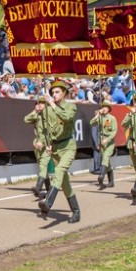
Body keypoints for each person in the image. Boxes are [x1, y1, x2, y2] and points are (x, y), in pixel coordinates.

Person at [38, 80, 80, 223]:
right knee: (65, 183)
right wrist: (48, 144)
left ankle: (48, 201)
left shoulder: (71, 106)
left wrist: (52, 104)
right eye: (52, 92)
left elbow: (67, 117)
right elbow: (47, 129)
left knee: (60, 171)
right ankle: (76, 211)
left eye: (57, 92)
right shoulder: (49, 109)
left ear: (64, 94)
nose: (54, 95)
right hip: (55, 148)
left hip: (68, 146)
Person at [24, 96, 52, 199]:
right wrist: (35, 111)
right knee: (42, 167)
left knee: (43, 166)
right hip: (37, 144)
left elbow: (50, 133)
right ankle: (49, 191)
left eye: (41, 103)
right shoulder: (37, 115)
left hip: (47, 144)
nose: (39, 105)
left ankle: (38, 187)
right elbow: (26, 120)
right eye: (37, 103)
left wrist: (43, 142)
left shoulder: (49, 116)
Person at [89, 101, 117, 189]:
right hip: (101, 142)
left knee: (105, 157)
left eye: (106, 107)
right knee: (107, 163)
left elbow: (114, 131)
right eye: (102, 107)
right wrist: (97, 115)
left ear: (109, 109)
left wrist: (107, 139)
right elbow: (92, 123)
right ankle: (111, 181)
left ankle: (101, 176)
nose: (104, 109)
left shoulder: (112, 118)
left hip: (109, 142)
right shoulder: (100, 118)